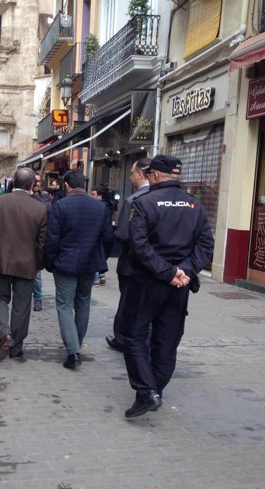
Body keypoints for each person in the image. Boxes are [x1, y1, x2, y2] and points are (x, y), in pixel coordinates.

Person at [120, 155, 214, 418]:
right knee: (168, 339)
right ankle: (153, 391)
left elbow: (140, 247)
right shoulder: (195, 206)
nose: (149, 178)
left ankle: (148, 391)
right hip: (179, 285)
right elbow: (206, 244)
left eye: (150, 175)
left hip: (147, 283)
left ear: (156, 176)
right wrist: (184, 270)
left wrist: (168, 272)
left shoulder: (143, 203)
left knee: (135, 335)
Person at [45, 169, 114, 369]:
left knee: (65, 305)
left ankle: (73, 350)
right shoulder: (100, 207)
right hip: (89, 263)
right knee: (83, 303)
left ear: (66, 186)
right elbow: (108, 238)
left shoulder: (61, 206)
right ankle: (77, 344)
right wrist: (101, 257)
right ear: (84, 185)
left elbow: (53, 239)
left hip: (65, 263)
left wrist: (50, 262)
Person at [0, 167, 48, 361]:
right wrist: (39, 264)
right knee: (22, 306)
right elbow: (42, 242)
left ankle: (5, 333)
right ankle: (16, 347)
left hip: (3, 261)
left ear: (13, 183)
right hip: (27, 263)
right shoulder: (40, 208)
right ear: (32, 185)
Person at [106, 157, 151, 353]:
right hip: (158, 263)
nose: (130, 177)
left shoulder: (133, 200)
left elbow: (123, 234)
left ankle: (123, 338)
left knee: (128, 303)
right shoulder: (166, 197)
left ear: (140, 174)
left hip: (132, 262)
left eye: (132, 173)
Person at [31, 172, 52, 311]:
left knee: (37, 272)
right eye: (35, 181)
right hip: (25, 236)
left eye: (39, 181)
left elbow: (48, 212)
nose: (38, 183)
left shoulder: (45, 197)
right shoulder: (25, 195)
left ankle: (38, 298)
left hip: (39, 238)